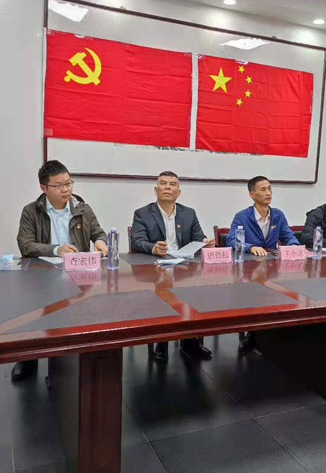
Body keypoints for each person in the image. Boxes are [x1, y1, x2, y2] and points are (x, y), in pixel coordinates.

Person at [14, 160, 108, 382]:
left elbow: (98, 232)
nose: (66, 189)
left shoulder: (83, 209)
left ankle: (73, 359)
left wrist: (101, 241)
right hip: (42, 273)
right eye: (59, 185)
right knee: (34, 312)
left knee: (83, 310)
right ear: (44, 188)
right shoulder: (31, 211)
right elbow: (25, 245)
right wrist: (56, 249)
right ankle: (28, 357)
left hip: (77, 272)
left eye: (68, 183)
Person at [131, 171, 214, 363]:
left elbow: (198, 237)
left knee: (198, 290)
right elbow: (137, 241)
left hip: (184, 267)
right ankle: (162, 341)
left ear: (179, 192)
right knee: (163, 292)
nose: (168, 187)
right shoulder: (142, 213)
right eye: (163, 183)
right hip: (156, 268)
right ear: (156, 190)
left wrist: (205, 243)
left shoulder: (189, 213)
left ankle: (190, 342)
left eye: (172, 184)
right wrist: (153, 248)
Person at [226, 175, 300, 352]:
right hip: (248, 270)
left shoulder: (277, 215)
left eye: (269, 188)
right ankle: (251, 335)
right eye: (263, 189)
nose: (268, 193)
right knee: (254, 297)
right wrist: (251, 247)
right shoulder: (242, 217)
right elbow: (231, 240)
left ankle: (274, 334)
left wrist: (293, 245)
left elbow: (288, 235)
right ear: (252, 194)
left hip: (272, 269)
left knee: (283, 294)